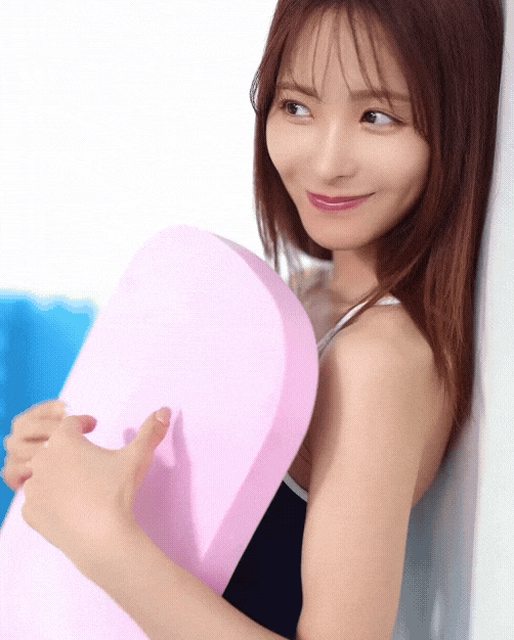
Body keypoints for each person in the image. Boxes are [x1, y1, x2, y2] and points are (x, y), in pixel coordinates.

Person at [1, 1, 504, 639]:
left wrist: (102, 538)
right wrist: (60, 470)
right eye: (296, 106)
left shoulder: (379, 359)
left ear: (457, 127)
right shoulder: (301, 294)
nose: (326, 161)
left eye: (377, 117)